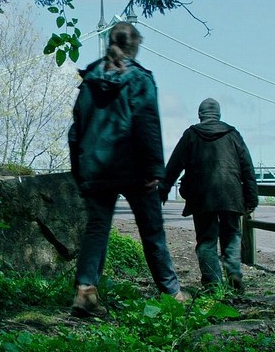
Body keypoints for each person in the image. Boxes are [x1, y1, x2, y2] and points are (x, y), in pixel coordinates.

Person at [68, 21, 189, 317]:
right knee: (152, 231)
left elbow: (76, 131)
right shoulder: (140, 79)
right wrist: (155, 170)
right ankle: (172, 293)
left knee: (97, 229)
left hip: (96, 169)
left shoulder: (89, 80)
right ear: (135, 46)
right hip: (135, 169)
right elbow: (147, 124)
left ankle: (85, 292)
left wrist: (80, 172)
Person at [159, 98, 259, 292]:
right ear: (219, 115)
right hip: (231, 196)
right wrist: (251, 199)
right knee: (231, 236)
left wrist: (162, 192)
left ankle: (213, 284)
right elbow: (248, 169)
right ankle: (234, 274)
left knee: (206, 241)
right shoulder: (233, 135)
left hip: (202, 198)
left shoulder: (191, 135)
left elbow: (174, 166)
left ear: (200, 115)